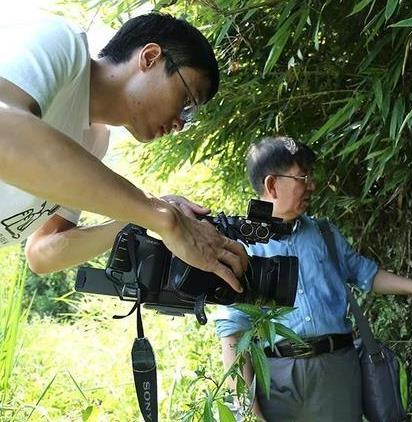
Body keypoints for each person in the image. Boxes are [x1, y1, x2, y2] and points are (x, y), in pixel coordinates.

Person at [214, 136, 412, 421]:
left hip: (338, 371)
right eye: (303, 177)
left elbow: (365, 274)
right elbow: (233, 336)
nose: (312, 185)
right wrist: (248, 413)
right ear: (272, 185)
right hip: (278, 381)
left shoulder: (324, 233)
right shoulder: (241, 248)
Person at [0, 12, 247, 290]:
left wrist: (141, 218)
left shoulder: (93, 141)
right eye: (187, 102)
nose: (180, 123)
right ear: (150, 57)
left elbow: (43, 253)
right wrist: (163, 217)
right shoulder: (60, 41)